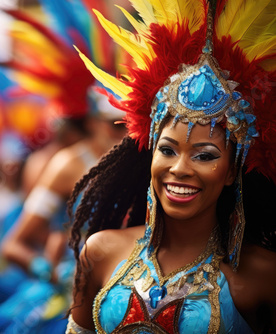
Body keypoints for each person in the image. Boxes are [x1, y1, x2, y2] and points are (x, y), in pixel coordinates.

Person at [66, 0, 276, 332]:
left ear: (232, 172)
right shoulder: (100, 251)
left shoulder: (261, 277)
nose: (179, 168)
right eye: (167, 150)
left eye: (204, 155)